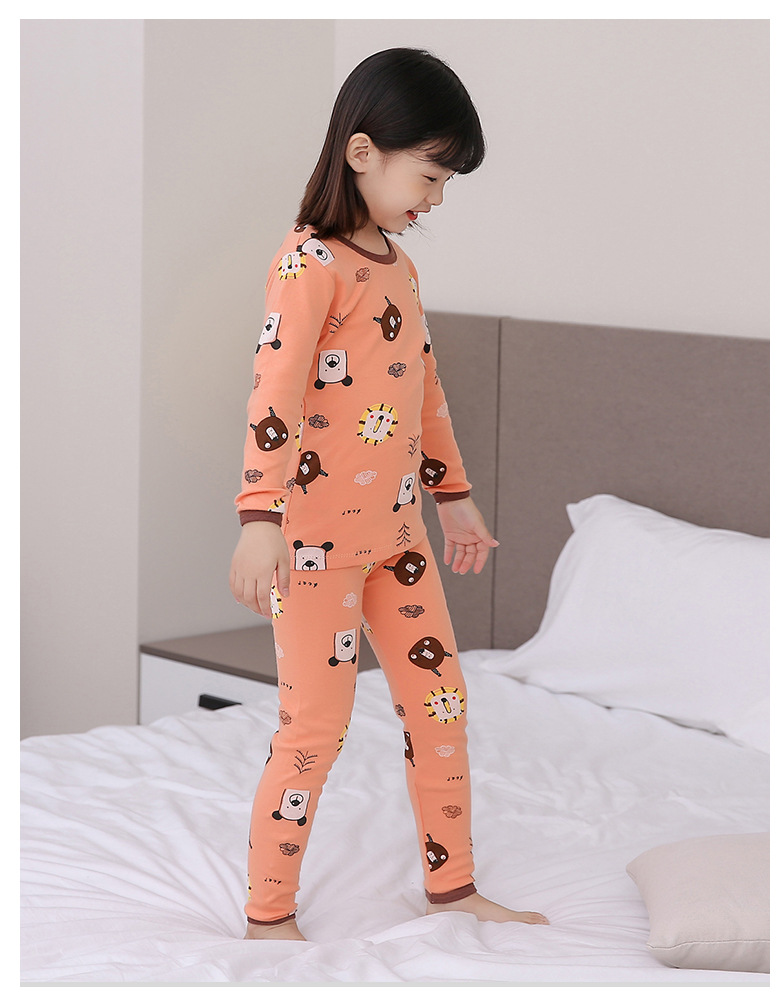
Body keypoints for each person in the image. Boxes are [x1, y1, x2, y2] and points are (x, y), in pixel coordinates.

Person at [229, 47, 549, 942]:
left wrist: (456, 498)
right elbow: (274, 395)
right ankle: (268, 915)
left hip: (398, 540)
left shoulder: (399, 268)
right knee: (314, 729)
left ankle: (454, 887)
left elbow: (423, 392)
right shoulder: (309, 265)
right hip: (315, 548)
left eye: (446, 182)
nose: (437, 198)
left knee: (442, 707)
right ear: (363, 152)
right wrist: (258, 520)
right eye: (431, 175)